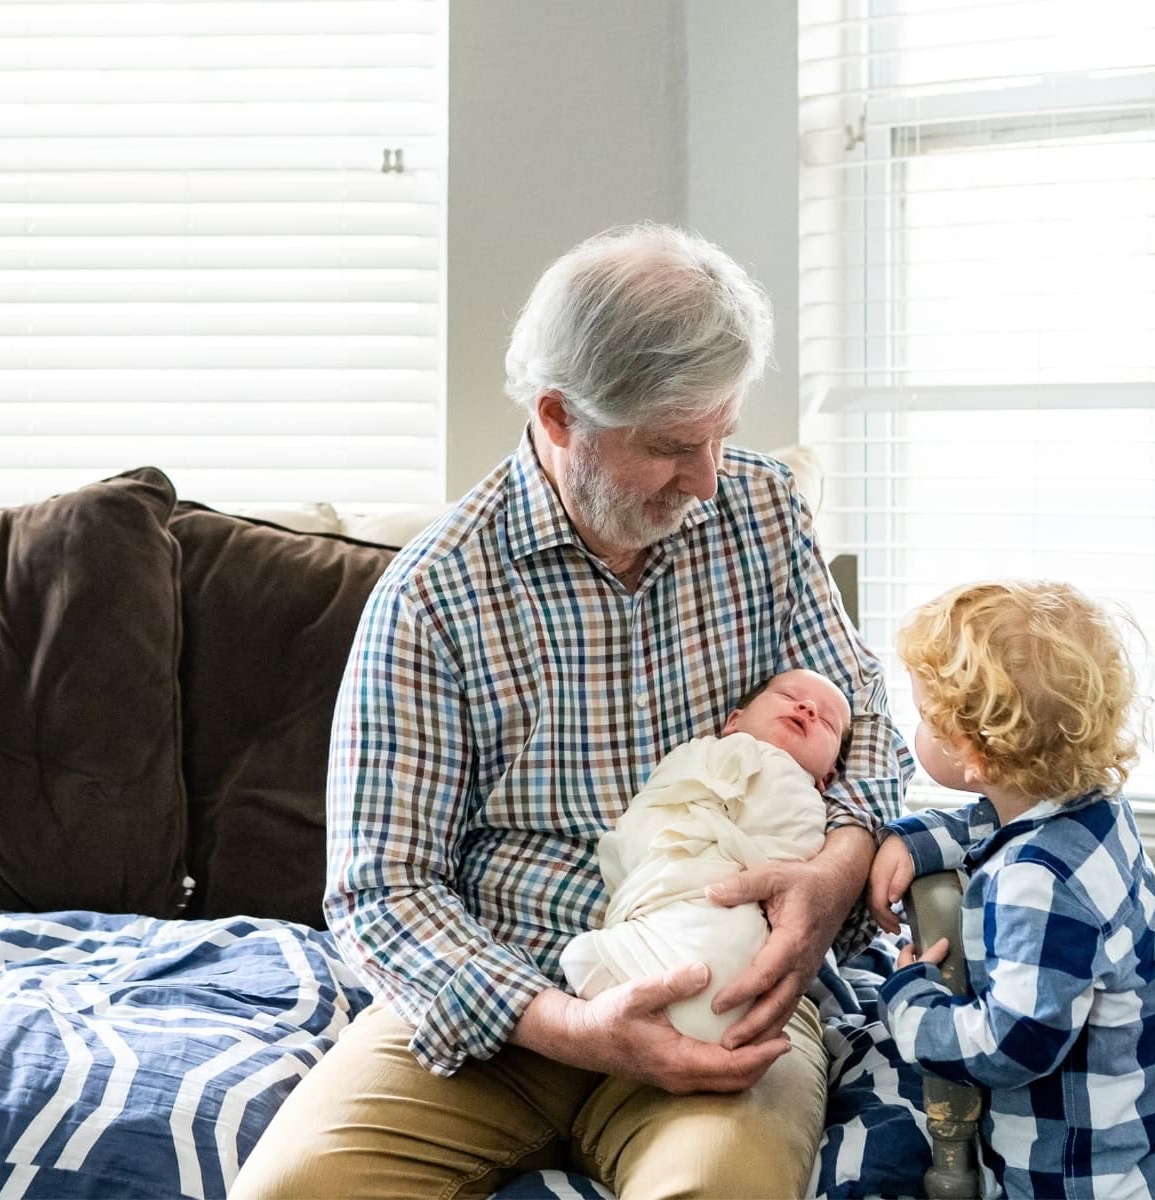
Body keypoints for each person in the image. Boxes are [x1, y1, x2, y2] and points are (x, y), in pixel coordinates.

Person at [230, 224, 912, 1200]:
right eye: (672, 447)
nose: (707, 479)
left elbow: (871, 720)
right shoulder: (435, 596)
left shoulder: (760, 511)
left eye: (721, 434)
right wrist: (572, 1026)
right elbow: (382, 892)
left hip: (719, 981)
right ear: (559, 417)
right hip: (504, 1003)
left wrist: (834, 874)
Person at [868, 580, 1155, 1198]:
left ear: (975, 754)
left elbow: (1013, 1043)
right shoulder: (1093, 809)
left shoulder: (1035, 882)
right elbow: (992, 823)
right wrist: (913, 841)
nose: (911, 727)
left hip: (1085, 1178)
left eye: (924, 718)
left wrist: (909, 1001)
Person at [561, 669, 850, 1044]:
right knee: (578, 955)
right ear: (734, 721)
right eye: (789, 695)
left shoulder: (804, 796)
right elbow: (643, 819)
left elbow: (790, 858)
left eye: (827, 721)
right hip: (655, 893)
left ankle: (694, 1008)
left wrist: (717, 840)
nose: (808, 707)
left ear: (827, 776)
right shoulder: (693, 754)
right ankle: (646, 990)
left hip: (719, 901)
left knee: (734, 938)